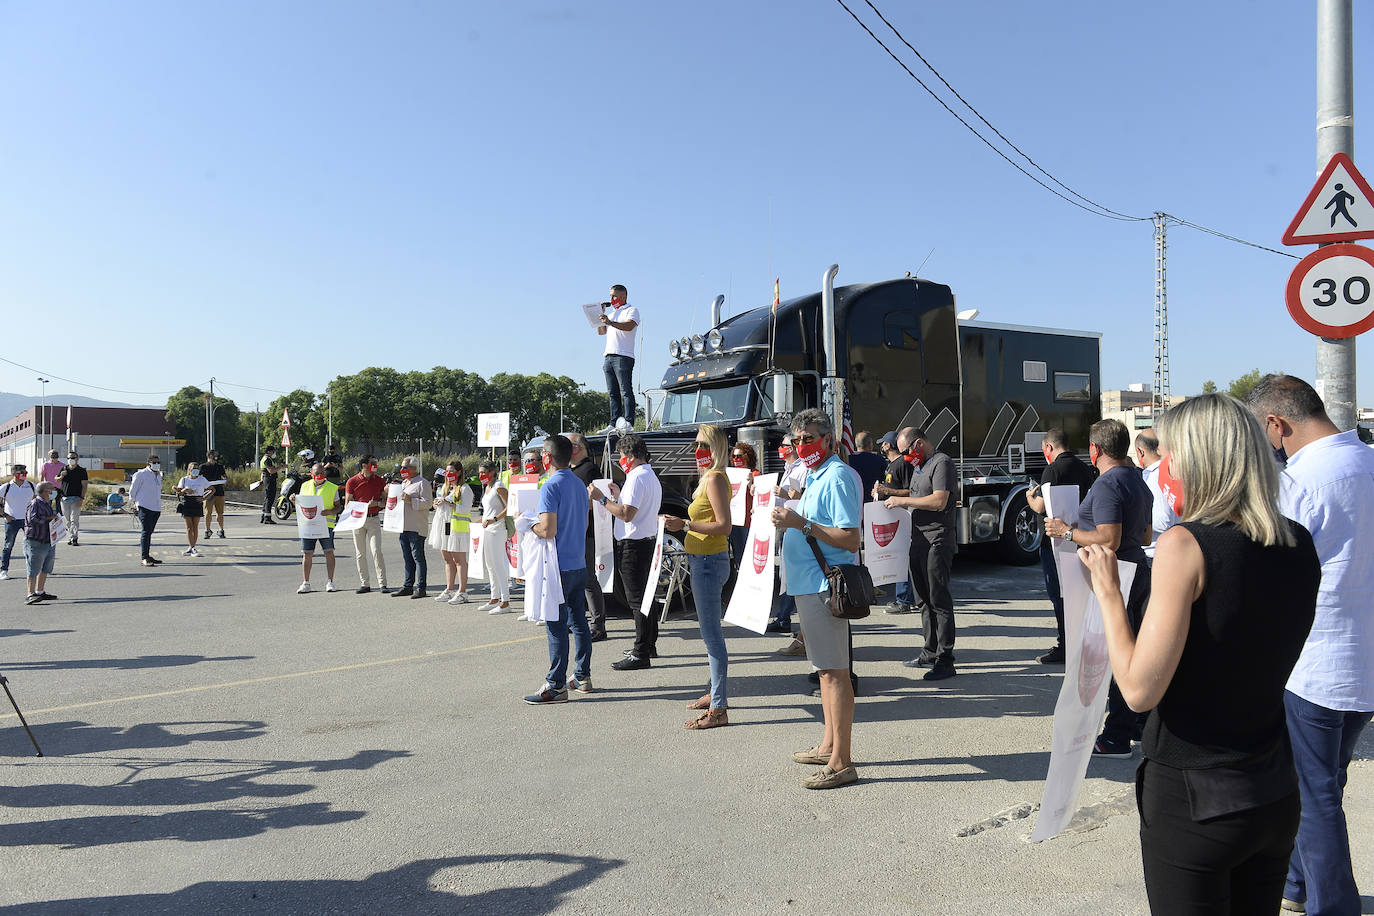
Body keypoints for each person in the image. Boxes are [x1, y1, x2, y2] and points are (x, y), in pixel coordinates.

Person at [1078, 393, 1320, 915]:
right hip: (1274, 787)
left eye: (1172, 455)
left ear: (1200, 458)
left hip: (1197, 795)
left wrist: (1108, 594)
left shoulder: (1186, 545)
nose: (1166, 468)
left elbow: (1140, 690)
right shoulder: (1298, 541)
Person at [1246, 374, 1374, 915]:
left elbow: (1272, 576)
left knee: (1313, 795)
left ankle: (1332, 906)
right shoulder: (1368, 462)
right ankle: (1296, 886)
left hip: (1317, 662)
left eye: (1261, 433)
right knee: (1323, 781)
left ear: (1277, 424)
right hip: (1363, 658)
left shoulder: (1296, 483)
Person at [1044, 419, 1153, 758]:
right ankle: (1137, 725)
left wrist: (1065, 531)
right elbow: (1145, 536)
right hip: (1136, 572)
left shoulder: (1108, 484)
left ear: (1095, 450)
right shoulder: (1138, 481)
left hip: (1115, 578)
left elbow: (1109, 538)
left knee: (1115, 658)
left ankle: (1116, 736)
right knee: (1134, 652)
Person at [773, 408, 863, 789]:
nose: (801, 445)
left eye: (808, 438)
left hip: (825, 585)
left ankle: (841, 761)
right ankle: (829, 745)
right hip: (810, 584)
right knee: (825, 672)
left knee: (835, 673)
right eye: (796, 440)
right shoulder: (815, 474)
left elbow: (850, 537)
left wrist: (799, 523)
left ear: (827, 439)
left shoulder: (839, 476)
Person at [662, 424, 733, 729]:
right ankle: (714, 694)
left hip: (708, 561)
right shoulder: (709, 477)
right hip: (704, 559)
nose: (697, 450)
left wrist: (685, 525)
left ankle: (718, 708)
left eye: (702, 444)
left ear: (716, 447)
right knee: (710, 635)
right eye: (695, 445)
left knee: (712, 636)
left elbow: (724, 526)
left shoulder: (715, 478)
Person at [883, 428, 959, 680]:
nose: (905, 456)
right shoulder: (919, 465)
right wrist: (890, 493)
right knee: (923, 601)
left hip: (937, 540)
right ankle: (929, 651)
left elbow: (939, 500)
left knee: (939, 601)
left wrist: (903, 502)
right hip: (917, 540)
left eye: (906, 451)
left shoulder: (942, 463)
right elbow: (914, 494)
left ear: (919, 442)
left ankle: (945, 660)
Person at [524, 435, 592, 704]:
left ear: (548, 458)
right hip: (577, 562)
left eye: (542, 453)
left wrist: (529, 525)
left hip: (557, 567)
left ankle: (556, 685)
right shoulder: (578, 483)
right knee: (579, 623)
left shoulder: (550, 486)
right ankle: (582, 676)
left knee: (556, 626)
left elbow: (548, 529)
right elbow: (584, 524)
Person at [1024, 428, 1096, 664]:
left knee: (1059, 595)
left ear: (1049, 448)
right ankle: (1080, 642)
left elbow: (1042, 507)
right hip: (1080, 536)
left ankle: (1065, 645)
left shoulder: (1052, 470)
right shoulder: (1086, 468)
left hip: (1055, 541)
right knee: (1078, 593)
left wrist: (1029, 498)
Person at [594, 433, 663, 670]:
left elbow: (626, 513)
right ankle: (648, 644)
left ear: (631, 456)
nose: (620, 460)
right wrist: (616, 496)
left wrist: (602, 499)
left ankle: (640, 652)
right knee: (646, 597)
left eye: (622, 456)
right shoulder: (648, 475)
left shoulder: (636, 477)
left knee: (637, 601)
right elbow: (631, 508)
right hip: (645, 541)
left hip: (633, 545)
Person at [567, 433, 607, 640]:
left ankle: (598, 625)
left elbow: (594, 499)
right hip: (572, 532)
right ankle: (575, 620)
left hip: (586, 532)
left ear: (581, 447)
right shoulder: (570, 471)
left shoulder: (589, 469)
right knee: (573, 578)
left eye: (572, 444)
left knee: (588, 579)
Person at [874, 429, 917, 616]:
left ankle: (905, 600)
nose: (881, 446)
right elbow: (892, 489)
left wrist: (888, 492)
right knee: (898, 558)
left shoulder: (903, 464)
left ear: (888, 445)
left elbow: (910, 491)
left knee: (902, 558)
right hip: (893, 516)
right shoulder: (891, 465)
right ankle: (906, 598)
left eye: (883, 443)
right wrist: (880, 492)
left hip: (903, 515)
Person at [292, 461, 342, 593]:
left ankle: (330, 582)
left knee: (329, 552)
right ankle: (306, 583)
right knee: (307, 553)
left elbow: (338, 507)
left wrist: (330, 512)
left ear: (325, 474)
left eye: (322, 473)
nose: (319, 475)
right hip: (308, 526)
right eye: (317, 473)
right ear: (311, 474)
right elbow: (301, 503)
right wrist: (294, 500)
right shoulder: (304, 486)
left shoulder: (332, 487)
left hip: (326, 525)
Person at [344, 455, 389, 594]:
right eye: (372, 463)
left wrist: (376, 504)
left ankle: (383, 584)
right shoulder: (352, 481)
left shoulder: (380, 481)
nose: (375, 465)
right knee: (360, 554)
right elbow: (347, 504)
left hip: (374, 519)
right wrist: (362, 507)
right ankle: (365, 584)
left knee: (376, 551)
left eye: (376, 462)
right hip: (358, 520)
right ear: (364, 466)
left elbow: (387, 502)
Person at [429, 460, 473, 604]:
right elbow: (439, 506)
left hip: (457, 527)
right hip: (444, 525)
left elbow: (466, 508)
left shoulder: (465, 489)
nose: (449, 474)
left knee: (459, 560)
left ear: (459, 472)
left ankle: (462, 592)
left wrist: (449, 504)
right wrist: (436, 504)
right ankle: (450, 589)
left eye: (452, 471)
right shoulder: (444, 488)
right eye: (447, 472)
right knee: (447, 559)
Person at [1135, 428, 1179, 567]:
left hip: (1155, 554)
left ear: (1140, 451)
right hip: (1170, 551)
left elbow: (1163, 521)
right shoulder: (1171, 472)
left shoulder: (1155, 477)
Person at [598, 284, 639, 431]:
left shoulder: (631, 310)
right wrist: (600, 316)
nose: (611, 299)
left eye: (614, 296)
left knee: (626, 391)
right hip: (608, 355)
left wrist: (610, 322)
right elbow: (601, 332)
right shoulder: (612, 314)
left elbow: (629, 326)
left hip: (623, 355)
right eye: (610, 295)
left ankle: (628, 422)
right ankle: (613, 422)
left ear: (623, 297)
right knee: (612, 393)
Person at [476, 460, 512, 613]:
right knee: (490, 564)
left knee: (498, 564)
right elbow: (488, 510)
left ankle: (505, 601)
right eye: (479, 472)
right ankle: (494, 597)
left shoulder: (499, 486)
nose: (481, 475)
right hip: (487, 529)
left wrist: (495, 519)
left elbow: (510, 505)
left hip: (497, 529)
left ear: (492, 472)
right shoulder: (488, 487)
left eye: (483, 472)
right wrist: (482, 520)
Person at [392, 456, 430, 599]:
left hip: (416, 526)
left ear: (414, 468)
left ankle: (421, 588)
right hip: (403, 526)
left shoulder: (422, 483)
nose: (402, 470)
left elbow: (428, 503)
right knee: (407, 558)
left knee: (418, 557)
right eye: (402, 467)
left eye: (405, 467)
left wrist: (411, 500)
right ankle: (408, 586)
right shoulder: (403, 483)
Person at [726, 441, 760, 578]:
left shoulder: (755, 474)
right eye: (734, 457)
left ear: (747, 456)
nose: (736, 459)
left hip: (748, 523)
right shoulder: (731, 474)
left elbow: (761, 496)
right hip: (734, 521)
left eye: (739, 456)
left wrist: (751, 483)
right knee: (738, 557)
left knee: (749, 558)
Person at [22, 481, 59, 605]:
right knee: (33, 568)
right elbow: (34, 519)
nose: (53, 491)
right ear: (44, 491)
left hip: (48, 540)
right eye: (50, 489)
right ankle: (30, 594)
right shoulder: (35, 503)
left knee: (45, 568)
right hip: (36, 541)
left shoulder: (47, 503)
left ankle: (40, 591)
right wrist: (51, 518)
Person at [1, 465, 37, 581]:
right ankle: (4, 570)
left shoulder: (31, 485)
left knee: (31, 546)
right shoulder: (6, 487)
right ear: (14, 474)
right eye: (21, 472)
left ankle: (34, 570)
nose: (24, 474)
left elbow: (40, 500)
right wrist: (5, 515)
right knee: (8, 546)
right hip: (12, 521)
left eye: (25, 472)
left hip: (29, 521)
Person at [129, 453, 164, 567]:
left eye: (158, 462)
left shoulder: (159, 475)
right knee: (146, 531)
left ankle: (148, 555)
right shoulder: (141, 474)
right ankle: (144, 557)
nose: (156, 464)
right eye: (154, 462)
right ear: (148, 463)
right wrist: (134, 504)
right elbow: (133, 490)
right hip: (144, 506)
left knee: (150, 531)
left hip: (156, 507)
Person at [173, 462, 209, 557]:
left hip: (197, 502)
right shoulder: (184, 479)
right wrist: (184, 490)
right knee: (189, 527)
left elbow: (212, 489)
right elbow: (179, 493)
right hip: (187, 502)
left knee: (195, 526)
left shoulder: (202, 479)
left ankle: (192, 546)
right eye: (193, 468)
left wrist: (203, 498)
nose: (195, 470)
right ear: (189, 469)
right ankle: (192, 547)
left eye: (197, 468)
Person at [56, 451, 88, 546]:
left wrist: (81, 498)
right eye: (69, 458)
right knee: (67, 519)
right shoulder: (64, 469)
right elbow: (56, 479)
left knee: (74, 519)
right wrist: (62, 476)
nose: (71, 460)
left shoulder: (82, 471)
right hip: (64, 498)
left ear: (77, 459)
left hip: (76, 498)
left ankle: (74, 537)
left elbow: (85, 485)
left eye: (73, 458)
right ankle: (71, 536)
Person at [847, 431, 886, 501]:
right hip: (873, 503)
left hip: (853, 501)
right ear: (870, 445)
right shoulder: (879, 460)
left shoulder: (847, 461)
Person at [199, 449, 228, 539]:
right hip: (208, 492)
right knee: (208, 513)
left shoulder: (219, 466)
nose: (217, 457)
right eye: (216, 455)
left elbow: (224, 476)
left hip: (219, 491)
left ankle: (221, 530)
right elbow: (199, 478)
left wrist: (225, 480)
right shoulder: (203, 466)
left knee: (220, 512)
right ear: (210, 455)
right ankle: (207, 530)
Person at [259, 445, 281, 525]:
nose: (274, 453)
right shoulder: (267, 459)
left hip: (267, 479)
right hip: (270, 480)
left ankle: (263, 516)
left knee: (267, 498)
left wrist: (261, 480)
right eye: (273, 451)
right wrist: (281, 467)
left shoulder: (265, 458)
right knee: (270, 498)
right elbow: (271, 471)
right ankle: (267, 518)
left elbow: (263, 471)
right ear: (269, 451)